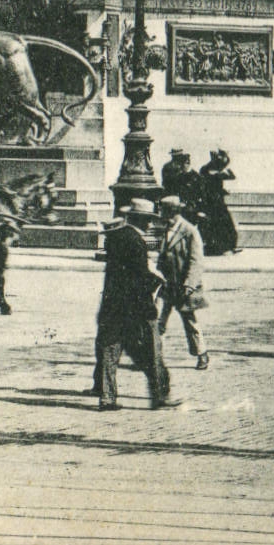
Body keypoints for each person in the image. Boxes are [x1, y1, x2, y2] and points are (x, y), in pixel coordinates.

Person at [94, 199, 173, 410]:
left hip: (113, 306)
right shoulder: (136, 240)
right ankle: (159, 396)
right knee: (151, 353)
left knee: (110, 352)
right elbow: (138, 275)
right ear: (141, 219)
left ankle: (107, 398)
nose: (150, 225)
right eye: (148, 220)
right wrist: (159, 281)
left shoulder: (117, 236)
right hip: (137, 308)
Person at [156, 195, 209, 369]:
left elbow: (196, 261)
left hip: (183, 286)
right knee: (158, 320)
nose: (160, 213)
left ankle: (201, 354)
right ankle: (154, 356)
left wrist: (189, 285)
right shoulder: (165, 229)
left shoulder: (190, 231)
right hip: (167, 285)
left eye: (163, 210)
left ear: (171, 212)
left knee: (190, 321)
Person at [196, 150, 241, 256]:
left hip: (211, 203)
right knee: (223, 224)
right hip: (216, 203)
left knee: (219, 225)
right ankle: (225, 247)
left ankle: (220, 247)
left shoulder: (205, 169)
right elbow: (231, 176)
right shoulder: (217, 171)